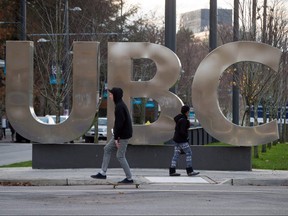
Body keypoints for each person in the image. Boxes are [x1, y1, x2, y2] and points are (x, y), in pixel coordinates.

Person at [91, 87, 134, 183]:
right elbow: (119, 124)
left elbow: (120, 124)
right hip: (120, 134)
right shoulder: (119, 105)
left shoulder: (119, 107)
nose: (109, 96)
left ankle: (129, 178)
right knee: (107, 149)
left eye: (111, 94)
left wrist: (116, 138)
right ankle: (102, 173)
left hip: (123, 135)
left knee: (120, 156)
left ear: (115, 95)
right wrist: (116, 136)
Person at [169, 105, 200, 176]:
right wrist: (186, 137)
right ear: (187, 112)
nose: (189, 113)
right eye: (188, 111)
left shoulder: (179, 118)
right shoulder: (183, 120)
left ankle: (172, 171)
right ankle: (190, 170)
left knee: (176, 155)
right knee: (189, 153)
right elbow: (182, 131)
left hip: (176, 139)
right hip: (182, 140)